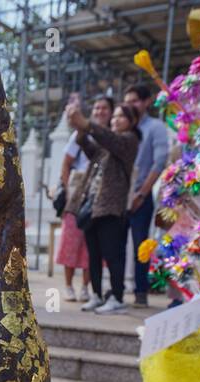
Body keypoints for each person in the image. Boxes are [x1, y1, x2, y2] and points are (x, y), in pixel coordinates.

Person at [68, 99, 141, 314]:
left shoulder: (129, 141)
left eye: (121, 116)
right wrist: (80, 129)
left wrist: (88, 124)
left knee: (112, 255)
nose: (116, 119)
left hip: (111, 207)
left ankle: (117, 297)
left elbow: (109, 139)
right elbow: (89, 147)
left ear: (132, 121)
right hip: (93, 207)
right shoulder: (106, 145)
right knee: (94, 255)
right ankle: (97, 295)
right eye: (115, 116)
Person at [123, 83, 169, 307]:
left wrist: (141, 194)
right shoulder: (122, 127)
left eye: (135, 101)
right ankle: (116, 291)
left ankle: (141, 291)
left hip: (141, 195)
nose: (131, 105)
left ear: (146, 102)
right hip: (118, 196)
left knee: (140, 243)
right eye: (128, 101)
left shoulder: (155, 127)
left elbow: (159, 162)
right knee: (115, 245)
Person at [56, 95, 94, 301]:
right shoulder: (78, 136)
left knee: (89, 244)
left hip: (95, 193)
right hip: (76, 193)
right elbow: (66, 163)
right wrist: (69, 189)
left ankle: (85, 287)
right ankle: (68, 285)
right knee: (70, 240)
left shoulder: (102, 134)